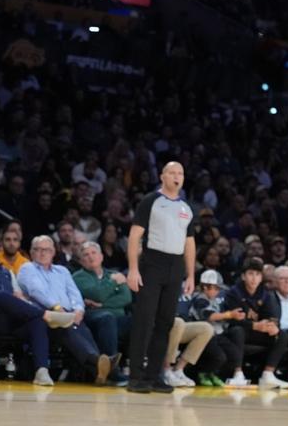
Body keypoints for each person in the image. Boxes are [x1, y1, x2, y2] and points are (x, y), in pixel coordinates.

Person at [126, 161, 197, 394]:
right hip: (152, 263)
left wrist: (190, 275)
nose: (177, 176)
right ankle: (136, 376)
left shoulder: (186, 208)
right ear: (162, 176)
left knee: (165, 323)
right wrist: (133, 269)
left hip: (175, 267)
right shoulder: (151, 201)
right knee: (144, 320)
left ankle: (154, 375)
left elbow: (189, 243)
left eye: (180, 173)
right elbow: (134, 236)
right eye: (172, 172)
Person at [0, 239, 75, 386]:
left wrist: (18, 300)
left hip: (10, 318)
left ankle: (41, 371)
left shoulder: (7, 272)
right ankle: (45, 314)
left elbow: (18, 294)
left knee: (36, 321)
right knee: (1, 296)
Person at [17, 235, 112, 384]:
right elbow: (36, 291)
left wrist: (79, 310)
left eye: (47, 250)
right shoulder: (27, 268)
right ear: (31, 252)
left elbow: (74, 293)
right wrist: (57, 308)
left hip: (69, 314)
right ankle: (98, 362)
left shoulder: (62, 271)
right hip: (45, 316)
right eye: (38, 249)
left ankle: (98, 369)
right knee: (65, 326)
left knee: (82, 327)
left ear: (53, 252)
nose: (42, 253)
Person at [222, 259, 288, 390]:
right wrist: (254, 325)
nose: (254, 278)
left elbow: (272, 315)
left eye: (257, 274)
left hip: (258, 331)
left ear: (261, 278)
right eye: (250, 274)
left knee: (282, 335)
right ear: (243, 276)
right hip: (237, 331)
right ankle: (238, 374)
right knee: (238, 330)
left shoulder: (265, 294)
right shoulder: (234, 292)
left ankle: (268, 374)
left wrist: (272, 326)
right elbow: (233, 319)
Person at [73, 241, 133, 370]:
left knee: (140, 320)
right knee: (107, 317)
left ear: (101, 256)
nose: (91, 256)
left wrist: (102, 305)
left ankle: (136, 366)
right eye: (86, 255)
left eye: (93, 253)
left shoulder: (113, 273)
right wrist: (112, 282)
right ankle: (110, 369)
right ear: (81, 261)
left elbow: (126, 297)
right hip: (93, 319)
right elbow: (98, 294)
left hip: (118, 319)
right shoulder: (78, 277)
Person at [186, 269, 248, 387]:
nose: (218, 291)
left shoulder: (214, 301)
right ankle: (203, 373)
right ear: (205, 287)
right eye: (216, 288)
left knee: (235, 354)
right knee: (219, 356)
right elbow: (209, 316)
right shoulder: (200, 300)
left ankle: (213, 373)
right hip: (204, 336)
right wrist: (229, 314)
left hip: (217, 334)